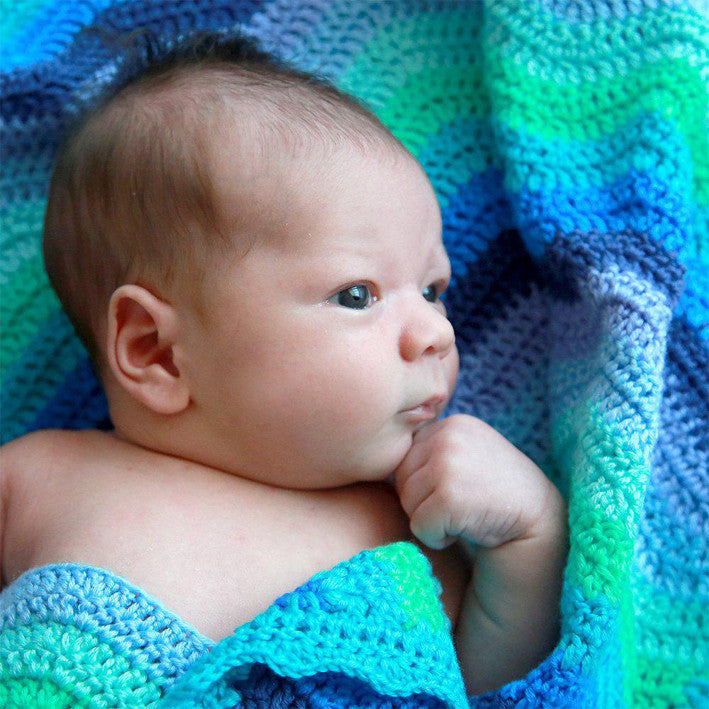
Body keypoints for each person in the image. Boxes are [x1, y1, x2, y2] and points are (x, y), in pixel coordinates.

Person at [0, 31, 567, 696]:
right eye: (357, 294)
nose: (436, 332)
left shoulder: (416, 525)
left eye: (433, 291)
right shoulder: (39, 476)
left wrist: (531, 541)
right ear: (154, 349)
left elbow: (495, 687)